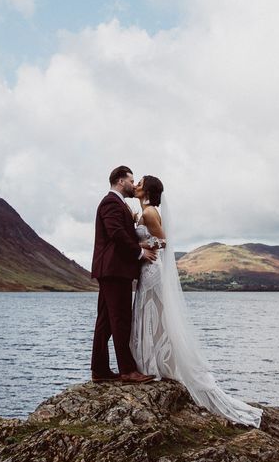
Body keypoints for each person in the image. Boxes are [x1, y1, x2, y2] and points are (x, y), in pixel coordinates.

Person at [130, 175, 263, 427]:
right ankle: (154, 363)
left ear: (147, 190)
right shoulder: (145, 211)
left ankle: (156, 366)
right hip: (147, 269)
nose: (135, 185)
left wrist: (141, 245)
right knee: (149, 313)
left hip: (152, 270)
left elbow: (164, 241)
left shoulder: (149, 213)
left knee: (154, 314)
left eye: (140, 183)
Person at [90, 166, 157, 384]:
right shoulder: (111, 202)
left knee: (105, 322)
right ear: (120, 181)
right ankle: (127, 371)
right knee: (121, 321)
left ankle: (99, 370)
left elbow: (119, 233)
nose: (133, 183)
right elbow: (116, 233)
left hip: (111, 270)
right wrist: (139, 252)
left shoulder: (117, 203)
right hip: (114, 270)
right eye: (131, 180)